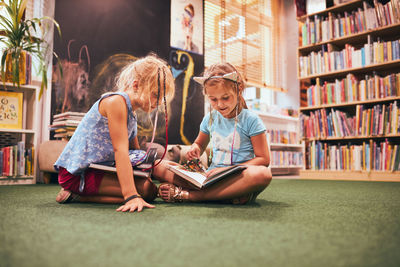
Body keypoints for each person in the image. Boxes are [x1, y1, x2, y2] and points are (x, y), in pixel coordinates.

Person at [54, 54, 175, 212]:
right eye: (155, 95)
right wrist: (131, 195)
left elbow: (134, 153)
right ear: (136, 85)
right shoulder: (116, 103)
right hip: (77, 174)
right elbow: (121, 152)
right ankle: (78, 195)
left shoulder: (131, 113)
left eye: (161, 98)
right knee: (145, 190)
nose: (159, 102)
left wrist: (155, 168)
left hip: (99, 168)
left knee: (155, 179)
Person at [154, 62, 272, 204]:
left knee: (262, 174)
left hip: (237, 177)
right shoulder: (209, 119)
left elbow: (263, 159)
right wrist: (195, 149)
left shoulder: (251, 120)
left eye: (225, 98)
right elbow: (199, 144)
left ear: (239, 89)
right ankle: (226, 196)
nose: (220, 104)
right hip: (209, 177)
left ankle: (191, 196)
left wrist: (227, 170)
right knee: (157, 165)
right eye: (213, 99)